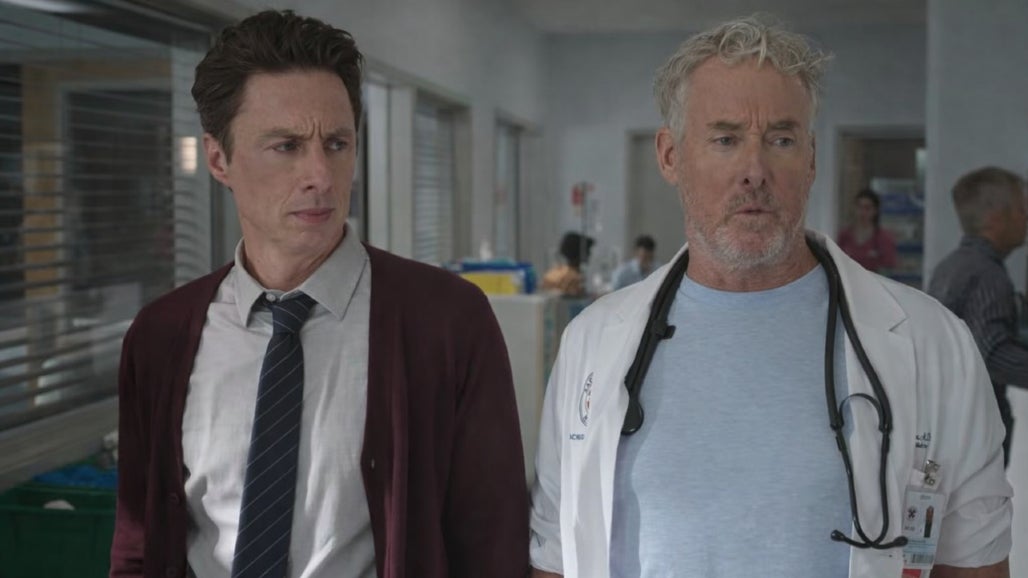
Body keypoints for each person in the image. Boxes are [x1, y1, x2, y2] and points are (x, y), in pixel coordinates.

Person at [530, 15, 1011, 578]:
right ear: (670, 156)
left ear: (811, 159)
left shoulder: (935, 344)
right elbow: (556, 552)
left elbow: (974, 561)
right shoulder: (591, 344)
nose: (754, 170)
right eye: (725, 139)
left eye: (781, 139)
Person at [110, 10, 528, 578]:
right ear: (218, 159)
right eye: (286, 146)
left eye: (336, 143)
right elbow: (138, 544)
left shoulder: (448, 321)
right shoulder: (160, 337)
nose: (321, 176)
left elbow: (493, 541)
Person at [928, 167, 1028, 468]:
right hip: (972, 436)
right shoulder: (987, 274)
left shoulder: (949, 267)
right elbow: (992, 354)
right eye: (1022, 210)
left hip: (943, 429)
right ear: (996, 218)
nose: (1026, 219)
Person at [837, 188, 898, 272]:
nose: (862, 212)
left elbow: (889, 268)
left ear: (875, 211)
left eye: (867, 208)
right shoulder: (844, 236)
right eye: (859, 207)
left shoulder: (884, 238)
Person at [541, 231, 594, 296]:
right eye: (588, 250)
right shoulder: (572, 277)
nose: (590, 253)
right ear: (577, 252)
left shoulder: (555, 272)